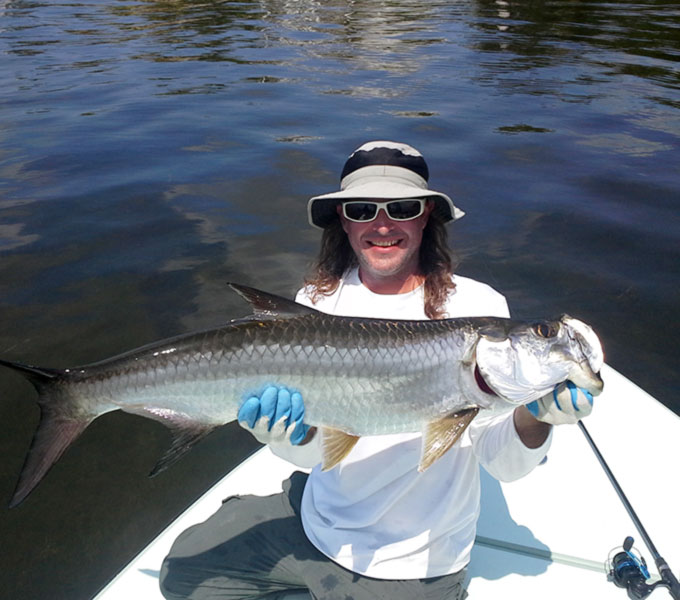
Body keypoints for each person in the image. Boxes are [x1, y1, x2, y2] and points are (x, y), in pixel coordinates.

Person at [159, 141, 594, 600]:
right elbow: (313, 458)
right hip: (317, 520)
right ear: (344, 220)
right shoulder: (318, 301)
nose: (382, 225)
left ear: (426, 216)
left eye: (402, 208)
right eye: (362, 210)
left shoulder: (476, 304)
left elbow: (502, 464)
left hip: (411, 561)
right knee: (180, 575)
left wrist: (535, 416)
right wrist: (285, 435)